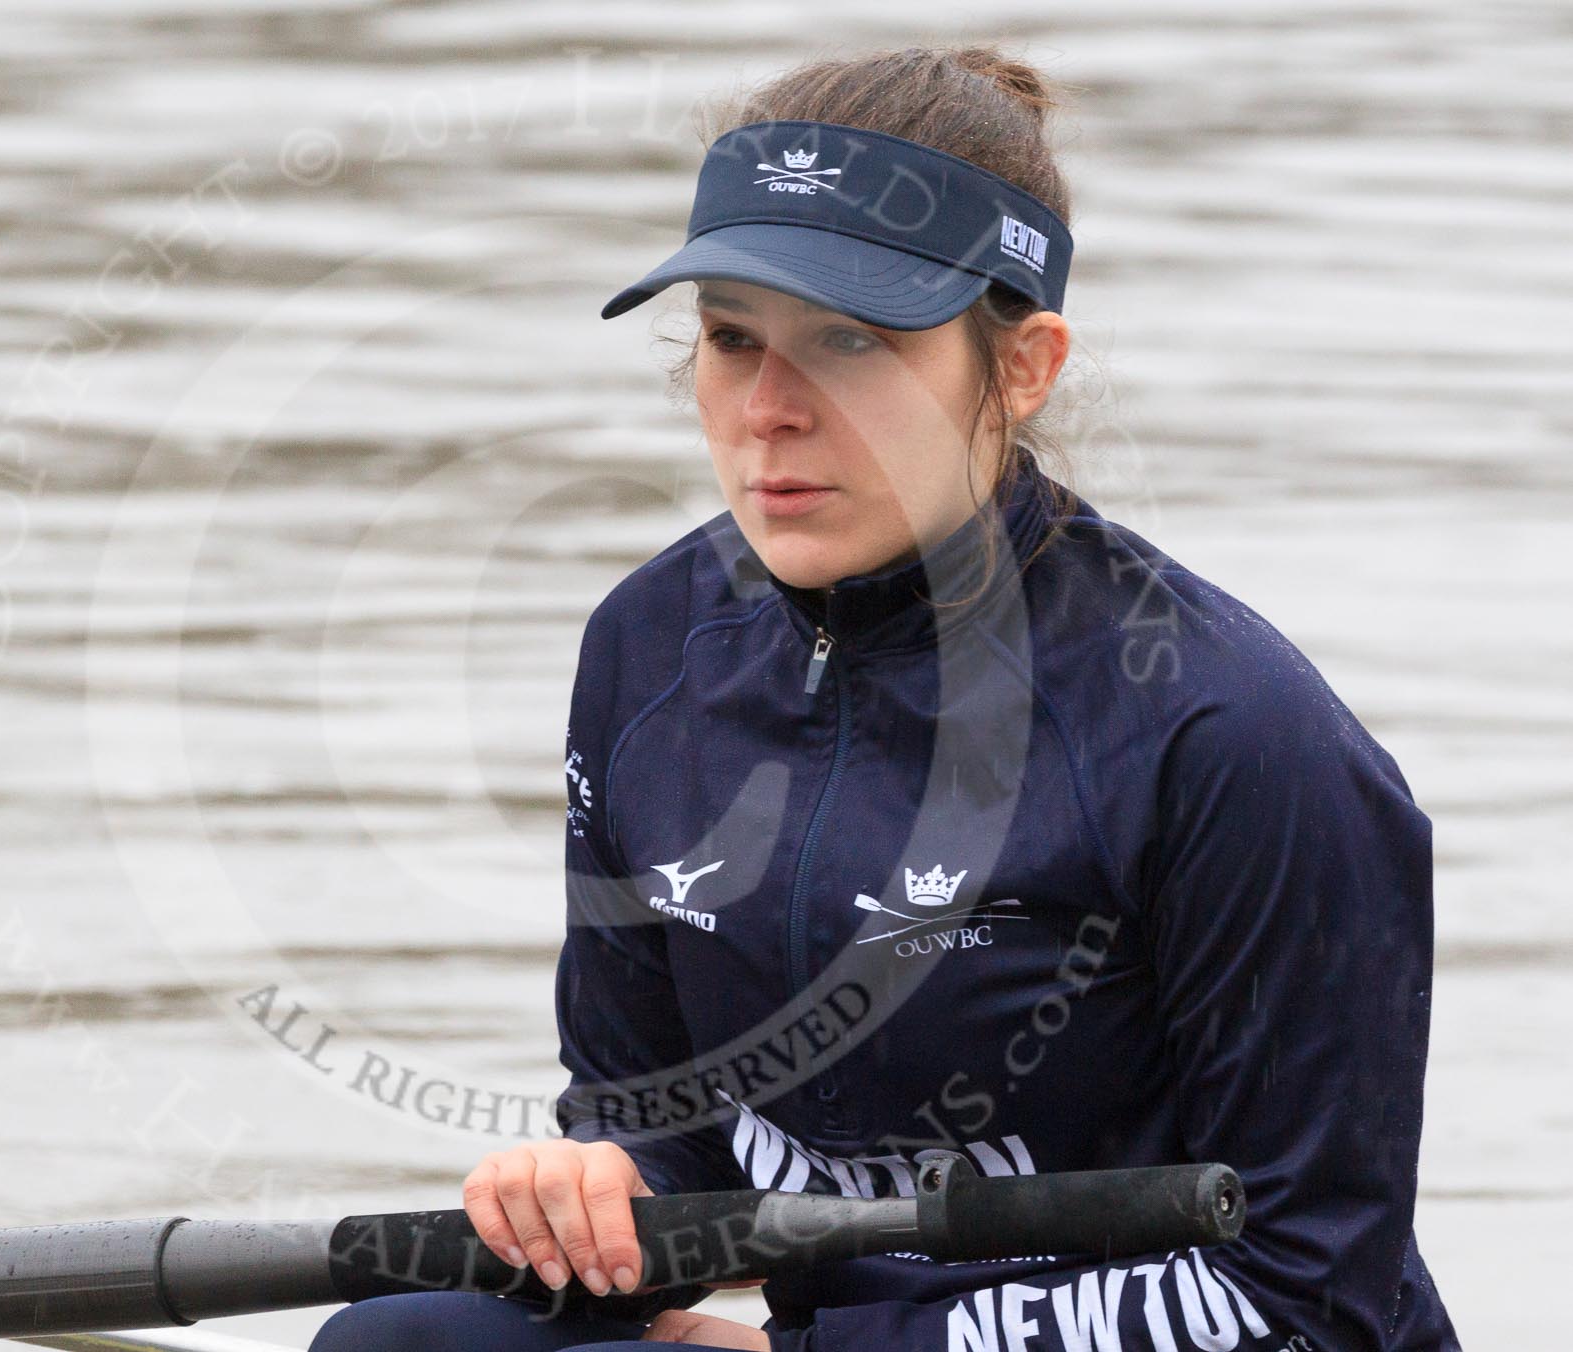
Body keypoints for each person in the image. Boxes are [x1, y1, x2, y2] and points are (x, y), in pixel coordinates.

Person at [309, 43, 1459, 1352]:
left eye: (852, 341)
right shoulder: (646, 653)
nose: (769, 411)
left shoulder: (1229, 733)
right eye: (734, 339)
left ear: (1022, 367)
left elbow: (1310, 1301)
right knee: (408, 1339)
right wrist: (597, 1194)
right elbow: (666, 1134)